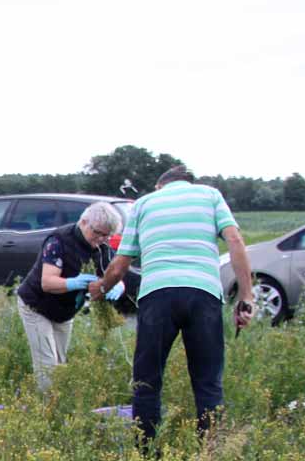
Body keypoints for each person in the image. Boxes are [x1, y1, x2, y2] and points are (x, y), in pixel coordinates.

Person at [91, 165, 255, 443]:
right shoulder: (211, 196)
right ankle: (211, 456)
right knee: (208, 383)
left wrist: (101, 288)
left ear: (160, 186)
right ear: (189, 183)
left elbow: (120, 264)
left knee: (146, 382)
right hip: (203, 293)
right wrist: (246, 297)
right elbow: (235, 240)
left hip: (157, 296)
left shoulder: (144, 204)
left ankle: (145, 455)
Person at [15, 201, 125, 390]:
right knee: (47, 365)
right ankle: (47, 410)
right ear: (83, 222)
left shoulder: (103, 248)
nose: (101, 239)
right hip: (37, 305)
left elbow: (113, 272)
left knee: (60, 363)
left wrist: (117, 285)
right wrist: (75, 282)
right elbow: (47, 282)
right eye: (97, 232)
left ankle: (57, 404)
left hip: (65, 311)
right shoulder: (58, 241)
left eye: (106, 235)